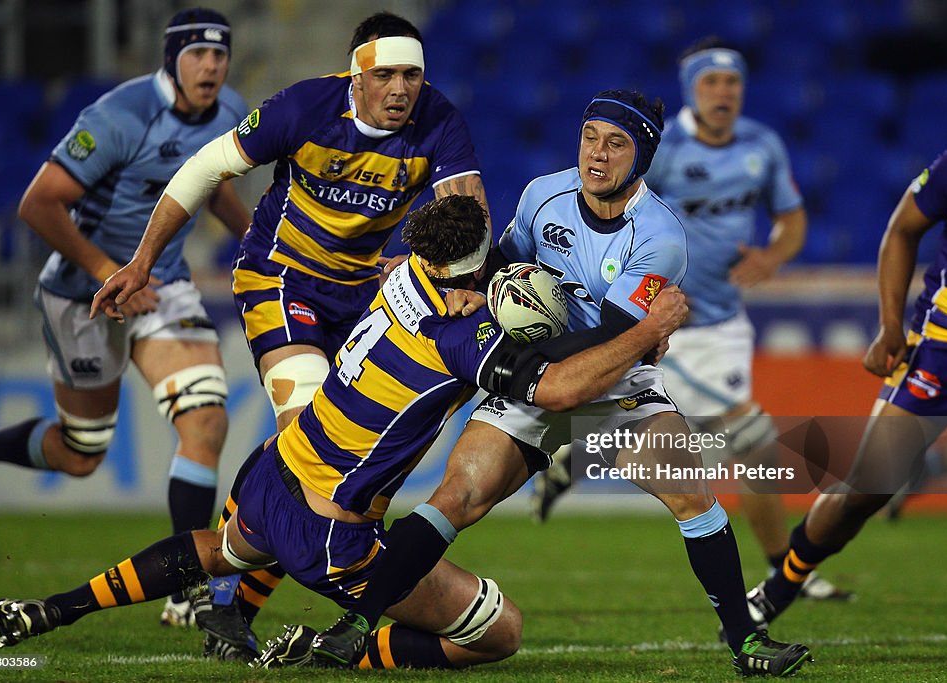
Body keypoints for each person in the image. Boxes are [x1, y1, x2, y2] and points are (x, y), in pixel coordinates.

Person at [0, 194, 690, 671]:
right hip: (335, 536)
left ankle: (59, 605)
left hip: (273, 475)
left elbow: (476, 282)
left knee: (220, 549)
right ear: (476, 268)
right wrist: (650, 329)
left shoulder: (404, 275)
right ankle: (349, 650)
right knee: (499, 631)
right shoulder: (462, 336)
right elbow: (563, 387)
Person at [305, 90, 812, 678]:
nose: (596, 154)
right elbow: (500, 263)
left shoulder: (661, 238)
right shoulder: (543, 194)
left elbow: (613, 341)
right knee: (456, 498)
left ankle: (746, 643)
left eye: (616, 143)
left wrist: (526, 355)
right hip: (536, 372)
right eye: (589, 137)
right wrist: (435, 276)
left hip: (616, 375)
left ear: (642, 157)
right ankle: (357, 626)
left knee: (692, 493)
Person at [90, 13, 491, 645]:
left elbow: (466, 205)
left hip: (365, 294)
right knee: (305, 442)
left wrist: (466, 279)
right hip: (282, 278)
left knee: (332, 461)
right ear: (355, 75)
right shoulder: (304, 107)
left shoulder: (438, 118)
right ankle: (225, 598)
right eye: (384, 74)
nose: (400, 89)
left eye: (411, 75)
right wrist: (141, 263)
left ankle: (230, 607)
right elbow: (203, 170)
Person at [0, 7, 250, 628]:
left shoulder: (230, 112)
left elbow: (216, 183)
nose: (211, 66)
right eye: (198, 54)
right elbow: (37, 204)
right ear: (171, 58)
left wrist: (258, 241)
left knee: (206, 418)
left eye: (220, 55)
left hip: (163, 286)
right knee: (81, 450)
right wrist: (106, 273)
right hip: (82, 292)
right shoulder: (119, 116)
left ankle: (185, 587)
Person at [530, 38, 850, 602]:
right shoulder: (655, 148)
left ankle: (574, 456)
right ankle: (786, 575)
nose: (723, 92)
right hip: (655, 328)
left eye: (732, 82)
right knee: (748, 440)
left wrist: (772, 257)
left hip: (721, 322)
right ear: (690, 90)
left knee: (706, 443)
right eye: (710, 82)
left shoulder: (762, 146)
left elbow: (791, 218)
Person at [743, 137, 947, 628]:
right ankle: (782, 584)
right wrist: (890, 325)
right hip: (946, 348)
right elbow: (901, 231)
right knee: (868, 489)